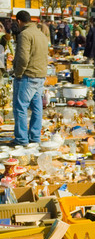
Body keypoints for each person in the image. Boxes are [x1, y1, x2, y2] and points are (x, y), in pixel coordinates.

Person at [12, 10, 49, 146]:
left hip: (28, 75)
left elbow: (23, 57)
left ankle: (22, 139)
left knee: (20, 107)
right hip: (39, 75)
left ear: (19, 21)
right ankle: (34, 137)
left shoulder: (25, 34)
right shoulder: (40, 34)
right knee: (37, 107)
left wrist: (18, 73)